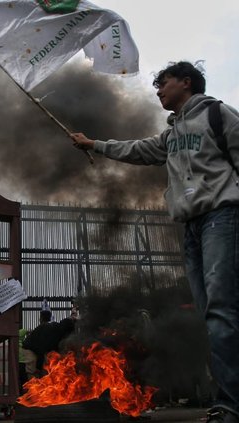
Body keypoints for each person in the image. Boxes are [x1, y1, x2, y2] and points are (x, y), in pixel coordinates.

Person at [71, 61, 239, 423]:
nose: (158, 91)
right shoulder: (171, 136)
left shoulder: (218, 115)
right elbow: (136, 149)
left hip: (223, 217)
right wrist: (94, 145)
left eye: (163, 84)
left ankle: (231, 405)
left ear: (186, 82)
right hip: (191, 227)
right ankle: (228, 401)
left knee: (223, 308)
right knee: (212, 313)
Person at [22, 310, 76, 378]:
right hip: (30, 347)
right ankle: (31, 387)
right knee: (32, 368)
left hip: (41, 348)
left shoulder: (60, 332)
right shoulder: (52, 331)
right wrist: (39, 366)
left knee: (46, 367)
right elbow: (42, 348)